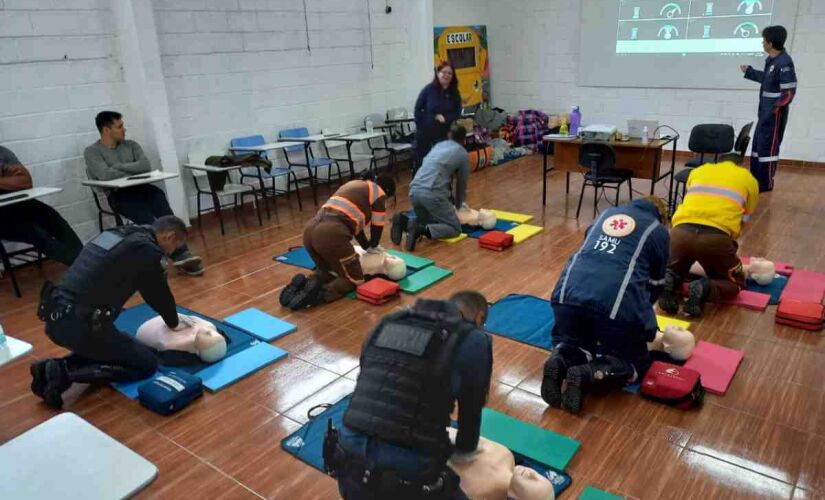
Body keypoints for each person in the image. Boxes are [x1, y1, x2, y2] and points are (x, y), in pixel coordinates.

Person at [327, 291, 493, 500]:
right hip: (407, 480)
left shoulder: (386, 322)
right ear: (478, 318)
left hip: (347, 465)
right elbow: (470, 418)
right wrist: (461, 454)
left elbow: (370, 384)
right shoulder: (473, 339)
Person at [30, 215, 190, 409]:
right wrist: (174, 323)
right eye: (176, 246)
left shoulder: (118, 234)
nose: (173, 253)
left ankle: (50, 368)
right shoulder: (147, 251)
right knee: (146, 363)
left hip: (58, 318)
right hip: (81, 326)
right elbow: (157, 295)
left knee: (127, 348)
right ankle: (66, 375)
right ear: (171, 237)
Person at [541, 197, 670, 414]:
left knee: (576, 342)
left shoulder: (606, 214)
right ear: (663, 217)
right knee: (634, 362)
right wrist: (643, 326)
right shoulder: (658, 231)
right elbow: (656, 285)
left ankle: (559, 360)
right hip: (614, 305)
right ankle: (588, 374)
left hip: (566, 295)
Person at [83, 111, 204, 275]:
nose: (124, 130)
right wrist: (131, 168)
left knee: (164, 211)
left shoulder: (131, 145)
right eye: (119, 127)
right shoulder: (92, 152)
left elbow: (145, 166)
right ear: (106, 129)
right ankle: (161, 258)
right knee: (146, 219)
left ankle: (181, 252)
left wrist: (118, 167)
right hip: (118, 195)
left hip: (141, 187)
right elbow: (104, 175)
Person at [658, 155, 759, 318]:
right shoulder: (749, 179)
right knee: (735, 282)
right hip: (715, 237)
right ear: (741, 165)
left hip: (679, 232)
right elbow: (744, 219)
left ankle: (669, 281)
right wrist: (729, 246)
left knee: (674, 269)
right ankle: (704, 288)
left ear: (716, 162)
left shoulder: (698, 171)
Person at [279, 174, 396, 310]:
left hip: (310, 231)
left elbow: (355, 224)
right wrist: (374, 245)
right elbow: (377, 226)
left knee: (327, 271)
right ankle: (319, 296)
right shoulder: (379, 194)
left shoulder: (354, 185)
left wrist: (366, 246)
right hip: (331, 235)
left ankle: (306, 283)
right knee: (354, 279)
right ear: (387, 191)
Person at [0, 145, 82, 266]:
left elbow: (25, 181)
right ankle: (84, 267)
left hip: (14, 205)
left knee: (52, 217)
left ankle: (86, 259)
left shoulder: (2, 153)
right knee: (35, 233)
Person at [392, 124, 470, 251]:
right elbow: (460, 186)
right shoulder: (462, 154)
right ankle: (419, 229)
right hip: (431, 194)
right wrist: (459, 206)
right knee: (454, 229)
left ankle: (403, 221)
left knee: (430, 222)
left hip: (414, 191)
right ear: (464, 140)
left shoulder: (438, 147)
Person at [740, 25, 797, 192]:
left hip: (773, 115)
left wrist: (775, 109)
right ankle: (755, 180)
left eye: (764, 40)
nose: (762, 43)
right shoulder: (772, 61)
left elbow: (789, 91)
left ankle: (765, 183)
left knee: (768, 149)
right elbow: (767, 80)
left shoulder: (784, 62)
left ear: (771, 43)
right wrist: (749, 71)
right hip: (764, 113)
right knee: (758, 146)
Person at [446, 428, 555, 500]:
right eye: (538, 475)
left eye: (534, 482)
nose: (532, 473)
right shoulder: (506, 456)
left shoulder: (478, 494)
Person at [414, 62, 463, 168]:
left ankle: (443, 184)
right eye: (444, 72)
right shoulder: (428, 90)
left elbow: (457, 112)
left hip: (443, 132)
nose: (446, 75)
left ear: (453, 76)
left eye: (450, 73)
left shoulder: (455, 93)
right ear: (438, 73)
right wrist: (427, 121)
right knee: (422, 163)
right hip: (425, 131)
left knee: (442, 163)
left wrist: (446, 118)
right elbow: (418, 110)